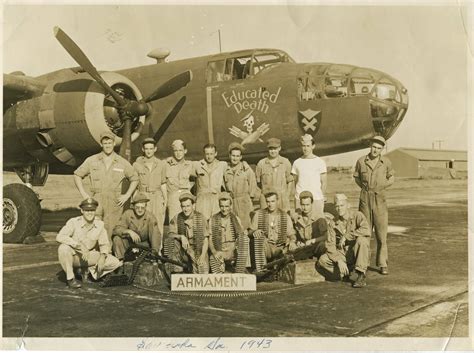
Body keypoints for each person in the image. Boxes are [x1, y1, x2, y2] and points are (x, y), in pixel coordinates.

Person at [74, 131, 138, 239]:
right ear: (101, 144)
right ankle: (94, 254)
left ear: (113, 143)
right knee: (93, 229)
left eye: (109, 142)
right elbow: (77, 175)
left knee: (112, 230)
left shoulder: (121, 162)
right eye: (105, 143)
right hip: (97, 200)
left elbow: (135, 178)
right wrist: (84, 194)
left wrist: (127, 195)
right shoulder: (92, 160)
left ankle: (109, 254)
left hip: (114, 202)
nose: (107, 145)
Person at [56, 198, 121, 289]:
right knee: (63, 248)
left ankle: (88, 272)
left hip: (90, 256)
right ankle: (71, 278)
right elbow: (60, 236)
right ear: (82, 211)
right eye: (87, 210)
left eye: (92, 210)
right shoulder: (73, 222)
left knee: (115, 262)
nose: (90, 213)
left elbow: (105, 244)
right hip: (76, 257)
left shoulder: (100, 225)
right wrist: (78, 245)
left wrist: (102, 257)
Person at [353, 135, 394, 275]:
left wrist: (382, 186)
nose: (375, 150)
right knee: (364, 232)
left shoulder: (386, 162)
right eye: (373, 147)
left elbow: (392, 178)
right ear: (370, 146)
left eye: (379, 148)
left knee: (381, 235)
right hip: (365, 199)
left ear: (382, 149)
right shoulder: (361, 161)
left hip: (380, 200)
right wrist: (365, 189)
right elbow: (356, 177)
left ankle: (383, 264)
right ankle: (362, 264)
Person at [316, 194, 371, 288]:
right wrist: (338, 260)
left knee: (362, 240)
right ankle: (345, 271)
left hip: (357, 251)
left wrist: (346, 236)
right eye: (337, 206)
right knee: (322, 260)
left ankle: (361, 274)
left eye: (342, 205)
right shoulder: (333, 223)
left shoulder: (357, 215)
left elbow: (366, 230)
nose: (339, 208)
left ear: (348, 205)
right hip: (343, 253)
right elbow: (330, 245)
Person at [165, 193, 209, 274]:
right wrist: (181, 237)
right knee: (172, 242)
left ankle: (191, 266)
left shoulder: (201, 217)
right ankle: (177, 270)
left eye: (188, 206)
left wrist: (203, 256)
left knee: (202, 274)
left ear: (193, 205)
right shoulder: (177, 218)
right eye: (183, 206)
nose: (185, 209)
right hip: (184, 251)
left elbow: (206, 239)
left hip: (198, 251)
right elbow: (170, 235)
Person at [208, 193, 251, 274]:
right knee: (215, 268)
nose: (224, 209)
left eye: (227, 206)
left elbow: (240, 236)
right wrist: (214, 252)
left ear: (230, 206)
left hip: (232, 249)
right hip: (219, 249)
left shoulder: (236, 219)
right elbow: (210, 239)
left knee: (245, 239)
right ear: (219, 206)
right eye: (222, 206)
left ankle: (240, 270)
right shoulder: (213, 219)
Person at [249, 190, 296, 263]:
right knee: (259, 239)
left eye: (273, 201)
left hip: (281, 248)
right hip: (266, 247)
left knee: (293, 249)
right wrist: (255, 232)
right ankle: (261, 268)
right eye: (268, 201)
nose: (270, 204)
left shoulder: (285, 216)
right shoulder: (259, 214)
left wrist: (292, 241)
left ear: (277, 201)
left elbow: (292, 234)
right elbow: (250, 232)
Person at [133, 138, 167, 237]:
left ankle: (158, 250)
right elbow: (135, 184)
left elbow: (163, 183)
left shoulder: (161, 164)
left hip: (157, 196)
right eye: (146, 149)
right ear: (143, 149)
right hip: (143, 196)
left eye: (151, 148)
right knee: (142, 223)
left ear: (155, 149)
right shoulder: (137, 165)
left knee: (158, 223)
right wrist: (134, 199)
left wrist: (166, 200)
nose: (149, 151)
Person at [112, 193, 162, 260]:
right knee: (117, 239)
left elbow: (155, 236)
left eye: (142, 207)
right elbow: (116, 229)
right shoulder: (127, 214)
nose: (140, 210)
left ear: (146, 207)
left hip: (144, 246)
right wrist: (129, 231)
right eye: (137, 207)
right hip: (129, 245)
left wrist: (154, 252)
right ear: (133, 206)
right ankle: (121, 262)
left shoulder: (150, 217)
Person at [224, 142, 259, 229]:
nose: (235, 158)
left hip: (244, 202)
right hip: (231, 202)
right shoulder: (226, 170)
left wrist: (248, 198)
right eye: (233, 155)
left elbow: (253, 183)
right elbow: (224, 186)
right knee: (233, 227)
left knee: (247, 226)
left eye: (237, 156)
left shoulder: (246, 169)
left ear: (240, 157)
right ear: (229, 156)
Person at [291, 134, 327, 217]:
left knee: (317, 224)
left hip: (316, 199)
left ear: (313, 146)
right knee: (300, 224)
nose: (305, 148)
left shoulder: (320, 162)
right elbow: (295, 182)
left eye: (308, 146)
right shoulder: (297, 162)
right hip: (300, 200)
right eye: (303, 146)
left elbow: (324, 182)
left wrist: (321, 197)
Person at [256, 138, 293, 213]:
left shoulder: (285, 162)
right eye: (271, 149)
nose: (273, 151)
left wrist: (287, 195)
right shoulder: (261, 164)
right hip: (267, 200)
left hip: (282, 199)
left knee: (283, 221)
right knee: (266, 221)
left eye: (275, 149)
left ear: (279, 148)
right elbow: (258, 183)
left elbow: (290, 180)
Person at [193, 144, 227, 220]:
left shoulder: (222, 165)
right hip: (202, 200)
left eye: (211, 154)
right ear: (204, 154)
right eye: (207, 154)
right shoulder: (197, 165)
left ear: (216, 153)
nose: (209, 156)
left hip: (216, 199)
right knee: (202, 223)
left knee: (216, 224)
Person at [292, 191, 329, 259]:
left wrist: (313, 240)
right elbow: (294, 235)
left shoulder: (319, 217)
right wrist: (298, 242)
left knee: (323, 246)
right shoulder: (297, 218)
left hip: (316, 246)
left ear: (312, 203)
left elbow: (326, 236)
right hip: (304, 247)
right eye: (303, 205)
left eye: (307, 205)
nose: (305, 208)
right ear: (300, 204)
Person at [165, 139, 195, 221]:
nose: (178, 153)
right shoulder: (166, 164)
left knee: (189, 222)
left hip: (186, 196)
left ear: (185, 151)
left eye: (180, 150)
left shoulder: (190, 165)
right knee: (174, 222)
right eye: (175, 150)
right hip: (173, 197)